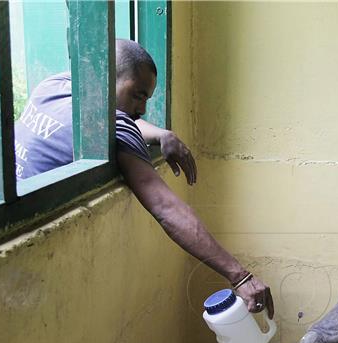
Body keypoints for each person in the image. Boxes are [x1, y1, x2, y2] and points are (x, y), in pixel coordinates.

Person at [14, 39, 273, 316]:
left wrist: (162, 134)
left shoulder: (54, 85)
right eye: (138, 95)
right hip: (27, 267)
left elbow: (126, 119)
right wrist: (239, 276)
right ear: (108, 78)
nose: (143, 109)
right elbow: (166, 208)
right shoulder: (117, 127)